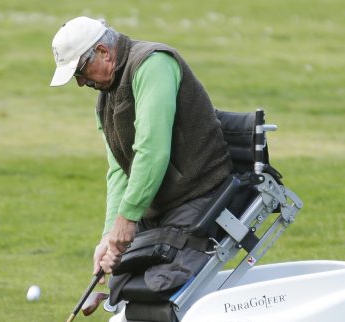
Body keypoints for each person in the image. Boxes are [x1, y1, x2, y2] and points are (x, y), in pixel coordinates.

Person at [50, 16, 232, 293]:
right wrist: (109, 234)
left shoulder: (153, 64)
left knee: (161, 285)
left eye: (80, 71)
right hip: (162, 202)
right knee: (122, 283)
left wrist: (128, 218)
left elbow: (152, 150)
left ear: (103, 52)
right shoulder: (106, 95)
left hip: (200, 192)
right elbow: (118, 171)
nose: (80, 82)